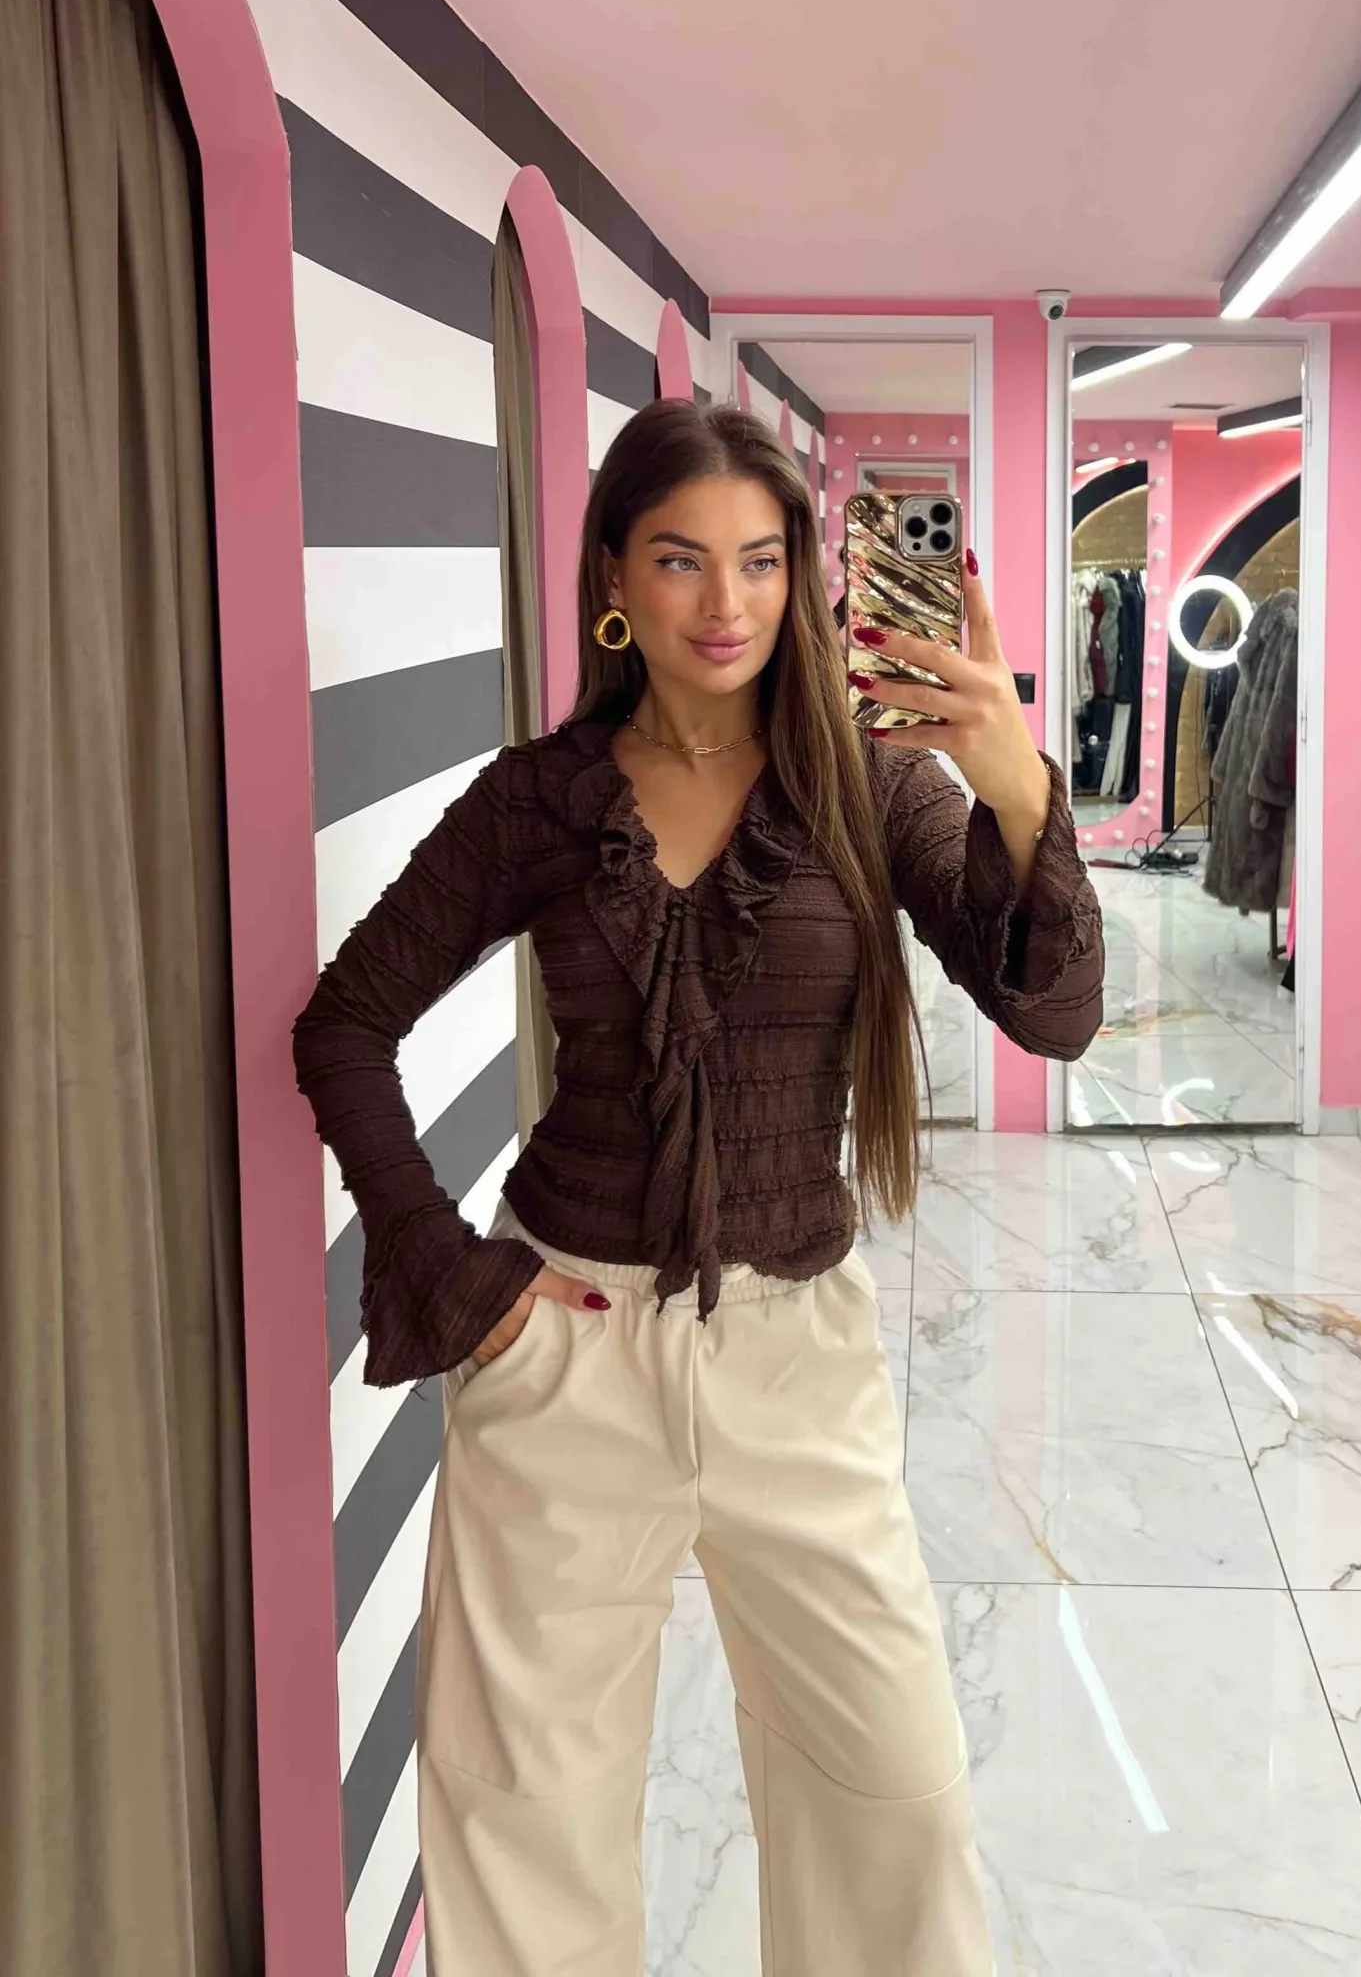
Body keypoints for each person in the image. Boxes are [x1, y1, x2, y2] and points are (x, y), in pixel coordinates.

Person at [293, 397, 1104, 1977]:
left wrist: (1016, 787)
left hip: (796, 1356)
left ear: (803, 574)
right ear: (613, 574)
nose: (724, 604)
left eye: (759, 560)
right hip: (564, 1353)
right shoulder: (540, 800)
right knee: (527, 1816)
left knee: (898, 1802)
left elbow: (1055, 1017)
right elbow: (345, 1026)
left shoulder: (872, 788)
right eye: (679, 560)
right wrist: (458, 1280)